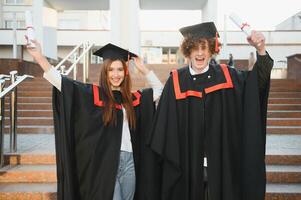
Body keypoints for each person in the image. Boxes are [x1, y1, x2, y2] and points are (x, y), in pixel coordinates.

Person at [148, 22, 273, 200]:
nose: (199, 53)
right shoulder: (176, 82)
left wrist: (261, 49)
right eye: (195, 48)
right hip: (186, 169)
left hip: (223, 167)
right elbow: (164, 128)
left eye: (204, 47)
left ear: (211, 50)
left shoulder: (227, 76)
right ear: (188, 51)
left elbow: (256, 84)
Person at [26, 41, 163, 200]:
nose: (115, 74)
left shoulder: (133, 99)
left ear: (125, 72)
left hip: (130, 162)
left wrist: (143, 68)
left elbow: (160, 90)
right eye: (111, 70)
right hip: (105, 163)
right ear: (105, 73)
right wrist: (40, 57)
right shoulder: (93, 95)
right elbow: (62, 83)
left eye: (120, 69)